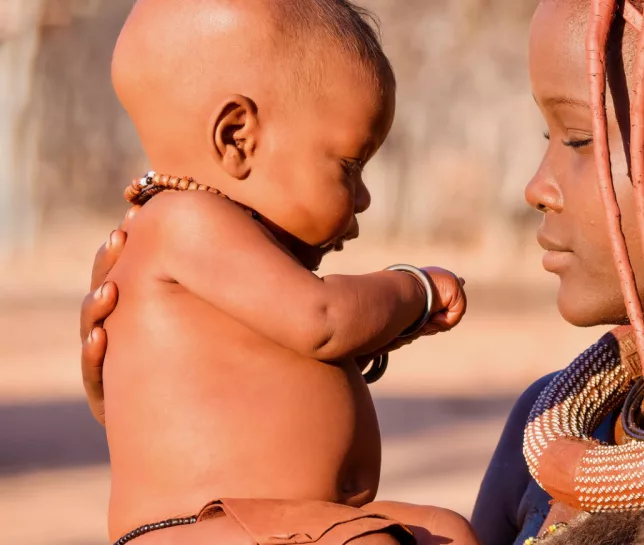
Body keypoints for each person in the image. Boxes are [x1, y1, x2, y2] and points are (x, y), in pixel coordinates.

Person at [82, 0, 644, 543]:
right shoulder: (558, 427)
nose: (536, 186)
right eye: (543, 138)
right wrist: (179, 384)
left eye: (581, 139)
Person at [84, 1, 478, 544]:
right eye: (349, 165)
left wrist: (384, 333)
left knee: (448, 530)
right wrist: (415, 288)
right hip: (197, 526)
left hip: (289, 519)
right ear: (237, 137)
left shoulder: (228, 242)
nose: (363, 198)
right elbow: (322, 319)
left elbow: (277, 362)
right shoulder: (184, 221)